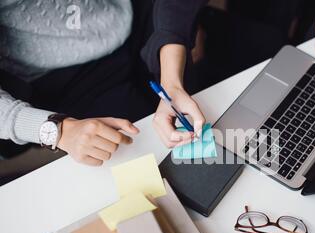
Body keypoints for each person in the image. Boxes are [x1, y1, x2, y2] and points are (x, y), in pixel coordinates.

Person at [0, 0, 206, 166]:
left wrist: (173, 44)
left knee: (215, 92)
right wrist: (60, 130)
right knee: (149, 158)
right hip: (60, 78)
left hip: (128, 11)